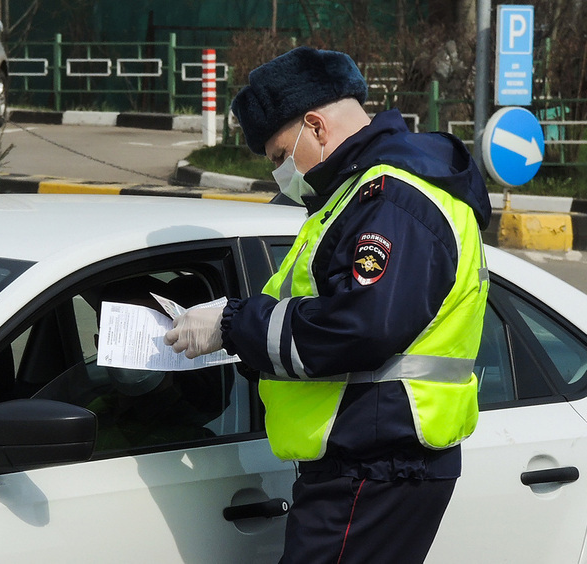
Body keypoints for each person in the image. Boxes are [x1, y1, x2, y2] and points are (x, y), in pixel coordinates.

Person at [163, 45, 491, 563]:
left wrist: (230, 323)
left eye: (278, 156)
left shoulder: (390, 200)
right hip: (369, 459)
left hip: (377, 463)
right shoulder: (355, 197)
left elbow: (360, 327)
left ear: (315, 126)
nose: (280, 173)